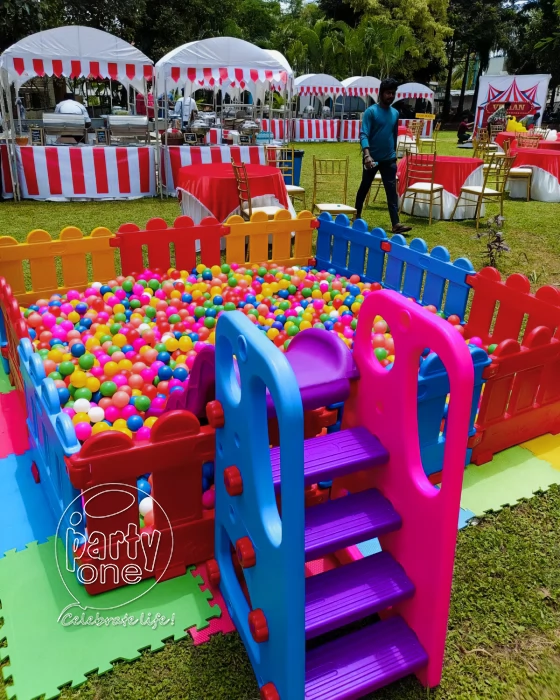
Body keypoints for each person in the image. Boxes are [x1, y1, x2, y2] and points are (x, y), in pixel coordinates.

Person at [355, 77, 412, 234]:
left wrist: (394, 155)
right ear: (380, 94)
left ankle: (396, 224)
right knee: (364, 186)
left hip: (389, 160)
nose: (391, 96)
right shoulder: (371, 112)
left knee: (391, 191)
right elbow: (363, 134)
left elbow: (393, 135)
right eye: (388, 93)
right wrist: (367, 155)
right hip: (371, 159)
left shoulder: (395, 113)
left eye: (393, 93)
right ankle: (356, 214)